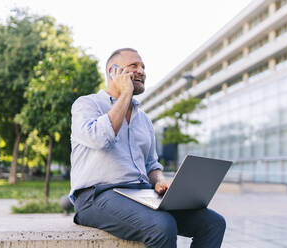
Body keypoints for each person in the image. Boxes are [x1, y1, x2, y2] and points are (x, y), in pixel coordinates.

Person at [69, 48, 226, 248]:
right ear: (112, 72)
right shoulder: (86, 104)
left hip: (140, 195)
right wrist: (125, 93)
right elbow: (100, 139)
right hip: (96, 196)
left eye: (143, 66)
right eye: (134, 66)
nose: (142, 71)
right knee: (162, 226)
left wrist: (160, 181)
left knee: (213, 223)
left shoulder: (143, 119)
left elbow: (151, 164)